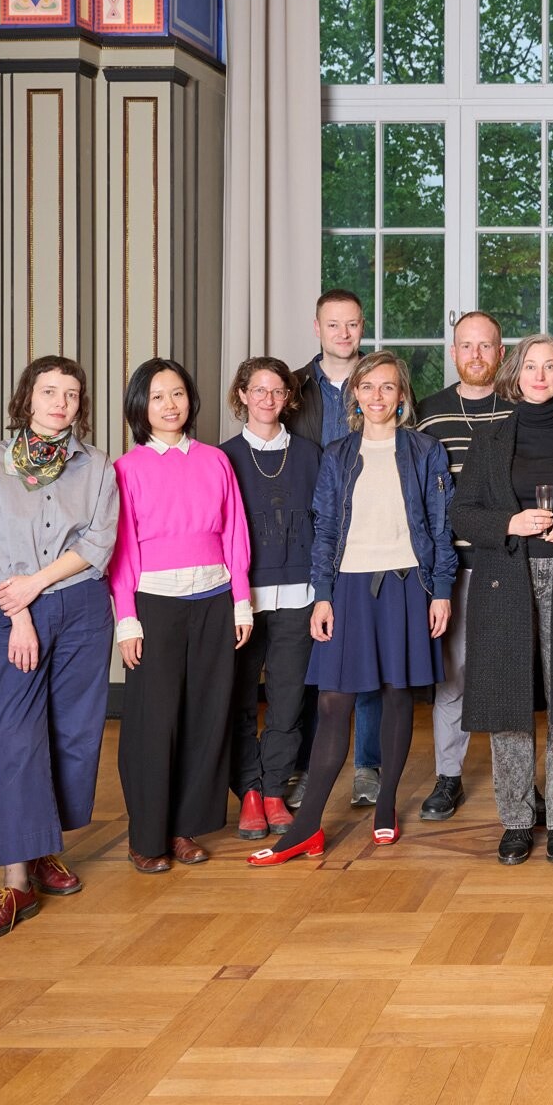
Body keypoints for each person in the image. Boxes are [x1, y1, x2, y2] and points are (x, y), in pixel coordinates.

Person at [248, 351, 456, 864]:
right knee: (333, 703)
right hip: (347, 589)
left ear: (401, 396)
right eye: (369, 388)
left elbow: (440, 524)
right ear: (355, 396)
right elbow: (324, 531)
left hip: (410, 586)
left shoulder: (425, 451)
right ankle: (307, 825)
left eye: (388, 387)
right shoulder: (337, 454)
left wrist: (444, 590)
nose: (378, 396)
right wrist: (322, 596)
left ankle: (385, 805)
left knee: (396, 695)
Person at [0, 356, 119, 939]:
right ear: (27, 398)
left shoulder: (97, 466)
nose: (61, 402)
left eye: (72, 394)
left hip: (82, 608)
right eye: (49, 391)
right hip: (14, 609)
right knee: (13, 740)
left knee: (73, 736)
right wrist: (22, 608)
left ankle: (46, 848)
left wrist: (41, 583)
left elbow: (99, 541)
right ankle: (16, 883)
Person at [452, 335, 553, 865]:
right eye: (531, 366)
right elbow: (462, 513)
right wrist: (509, 523)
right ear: (514, 374)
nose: (541, 375)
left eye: (551, 366)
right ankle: (518, 819)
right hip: (505, 583)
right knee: (509, 707)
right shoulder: (490, 438)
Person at [109, 359, 253, 872]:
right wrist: (127, 617)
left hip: (214, 599)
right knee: (154, 721)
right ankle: (147, 836)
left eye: (178, 394)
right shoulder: (126, 469)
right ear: (139, 407)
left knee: (206, 717)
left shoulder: (215, 460)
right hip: (155, 604)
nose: (171, 406)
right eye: (157, 397)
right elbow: (120, 550)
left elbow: (235, 532)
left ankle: (184, 828)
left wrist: (240, 601)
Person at [285, 289, 384, 810]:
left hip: (369, 535)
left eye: (352, 325)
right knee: (312, 656)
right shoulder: (294, 388)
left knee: (366, 657)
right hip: (310, 533)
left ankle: (368, 765)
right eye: (333, 325)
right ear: (317, 327)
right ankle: (306, 766)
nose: (343, 334)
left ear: (362, 327)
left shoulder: (382, 381)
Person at [413, 311, 514, 821]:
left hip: (510, 563)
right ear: (454, 353)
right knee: (451, 677)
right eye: (466, 346)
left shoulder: (519, 409)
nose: (476, 355)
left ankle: (515, 783)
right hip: (454, 566)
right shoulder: (429, 414)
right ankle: (448, 776)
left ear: (501, 352)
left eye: (486, 346)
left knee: (508, 677)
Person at [220, 358, 322, 843]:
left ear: (289, 398)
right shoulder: (222, 458)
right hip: (241, 598)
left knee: (288, 698)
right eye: (257, 390)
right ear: (241, 395)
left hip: (299, 594)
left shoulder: (309, 454)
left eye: (277, 391)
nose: (267, 399)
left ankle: (276, 788)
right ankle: (250, 792)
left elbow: (326, 527)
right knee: (239, 698)